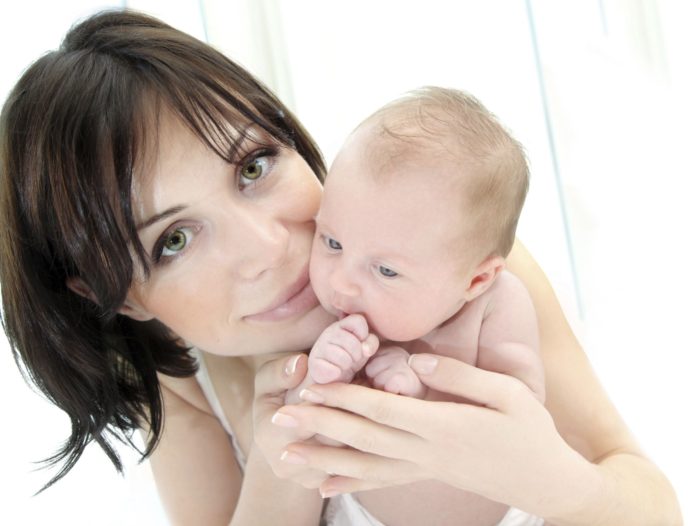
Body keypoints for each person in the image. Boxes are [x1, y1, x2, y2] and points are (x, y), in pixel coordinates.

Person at [0, 9, 681, 526]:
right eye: (174, 240)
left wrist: (547, 478)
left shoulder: (454, 282)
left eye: (253, 166)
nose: (267, 247)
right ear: (121, 300)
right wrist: (285, 458)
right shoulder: (184, 383)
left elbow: (650, 503)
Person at [282, 86, 546, 525]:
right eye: (331, 242)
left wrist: (424, 397)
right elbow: (298, 427)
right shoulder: (335, 314)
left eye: (385, 271)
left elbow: (522, 420)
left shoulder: (496, 307)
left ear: (475, 280)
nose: (342, 281)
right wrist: (323, 370)